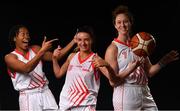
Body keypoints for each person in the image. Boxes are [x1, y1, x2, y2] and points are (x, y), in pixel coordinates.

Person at [95, 5, 179, 110]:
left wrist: (164, 61)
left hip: (144, 90)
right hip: (126, 93)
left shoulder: (140, 44)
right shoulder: (113, 49)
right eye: (119, 22)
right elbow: (114, 81)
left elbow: (149, 72)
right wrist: (132, 68)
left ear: (130, 23)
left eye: (125, 21)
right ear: (115, 25)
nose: (123, 25)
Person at [4, 24, 76, 111]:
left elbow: (56, 57)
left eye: (28, 34)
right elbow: (27, 68)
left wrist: (74, 41)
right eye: (23, 34)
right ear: (14, 38)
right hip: (29, 97)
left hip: (45, 91)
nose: (26, 36)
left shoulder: (35, 49)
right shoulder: (10, 57)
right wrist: (42, 51)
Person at [52, 25, 121, 111]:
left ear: (91, 40)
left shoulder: (95, 59)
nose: (83, 43)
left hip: (85, 106)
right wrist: (54, 59)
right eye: (80, 40)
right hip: (65, 104)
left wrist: (107, 65)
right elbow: (58, 74)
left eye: (86, 40)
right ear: (76, 40)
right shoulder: (71, 57)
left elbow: (113, 81)